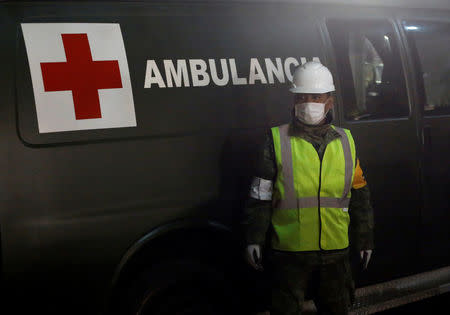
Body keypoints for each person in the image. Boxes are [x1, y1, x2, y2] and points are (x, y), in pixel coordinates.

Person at [241, 61, 374, 315]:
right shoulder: (276, 140)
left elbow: (360, 196)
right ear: (293, 101)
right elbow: (260, 196)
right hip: (289, 254)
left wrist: (365, 238)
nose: (308, 102)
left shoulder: (346, 141)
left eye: (316, 96)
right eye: (301, 96)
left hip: (336, 251)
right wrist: (253, 238)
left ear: (330, 101)